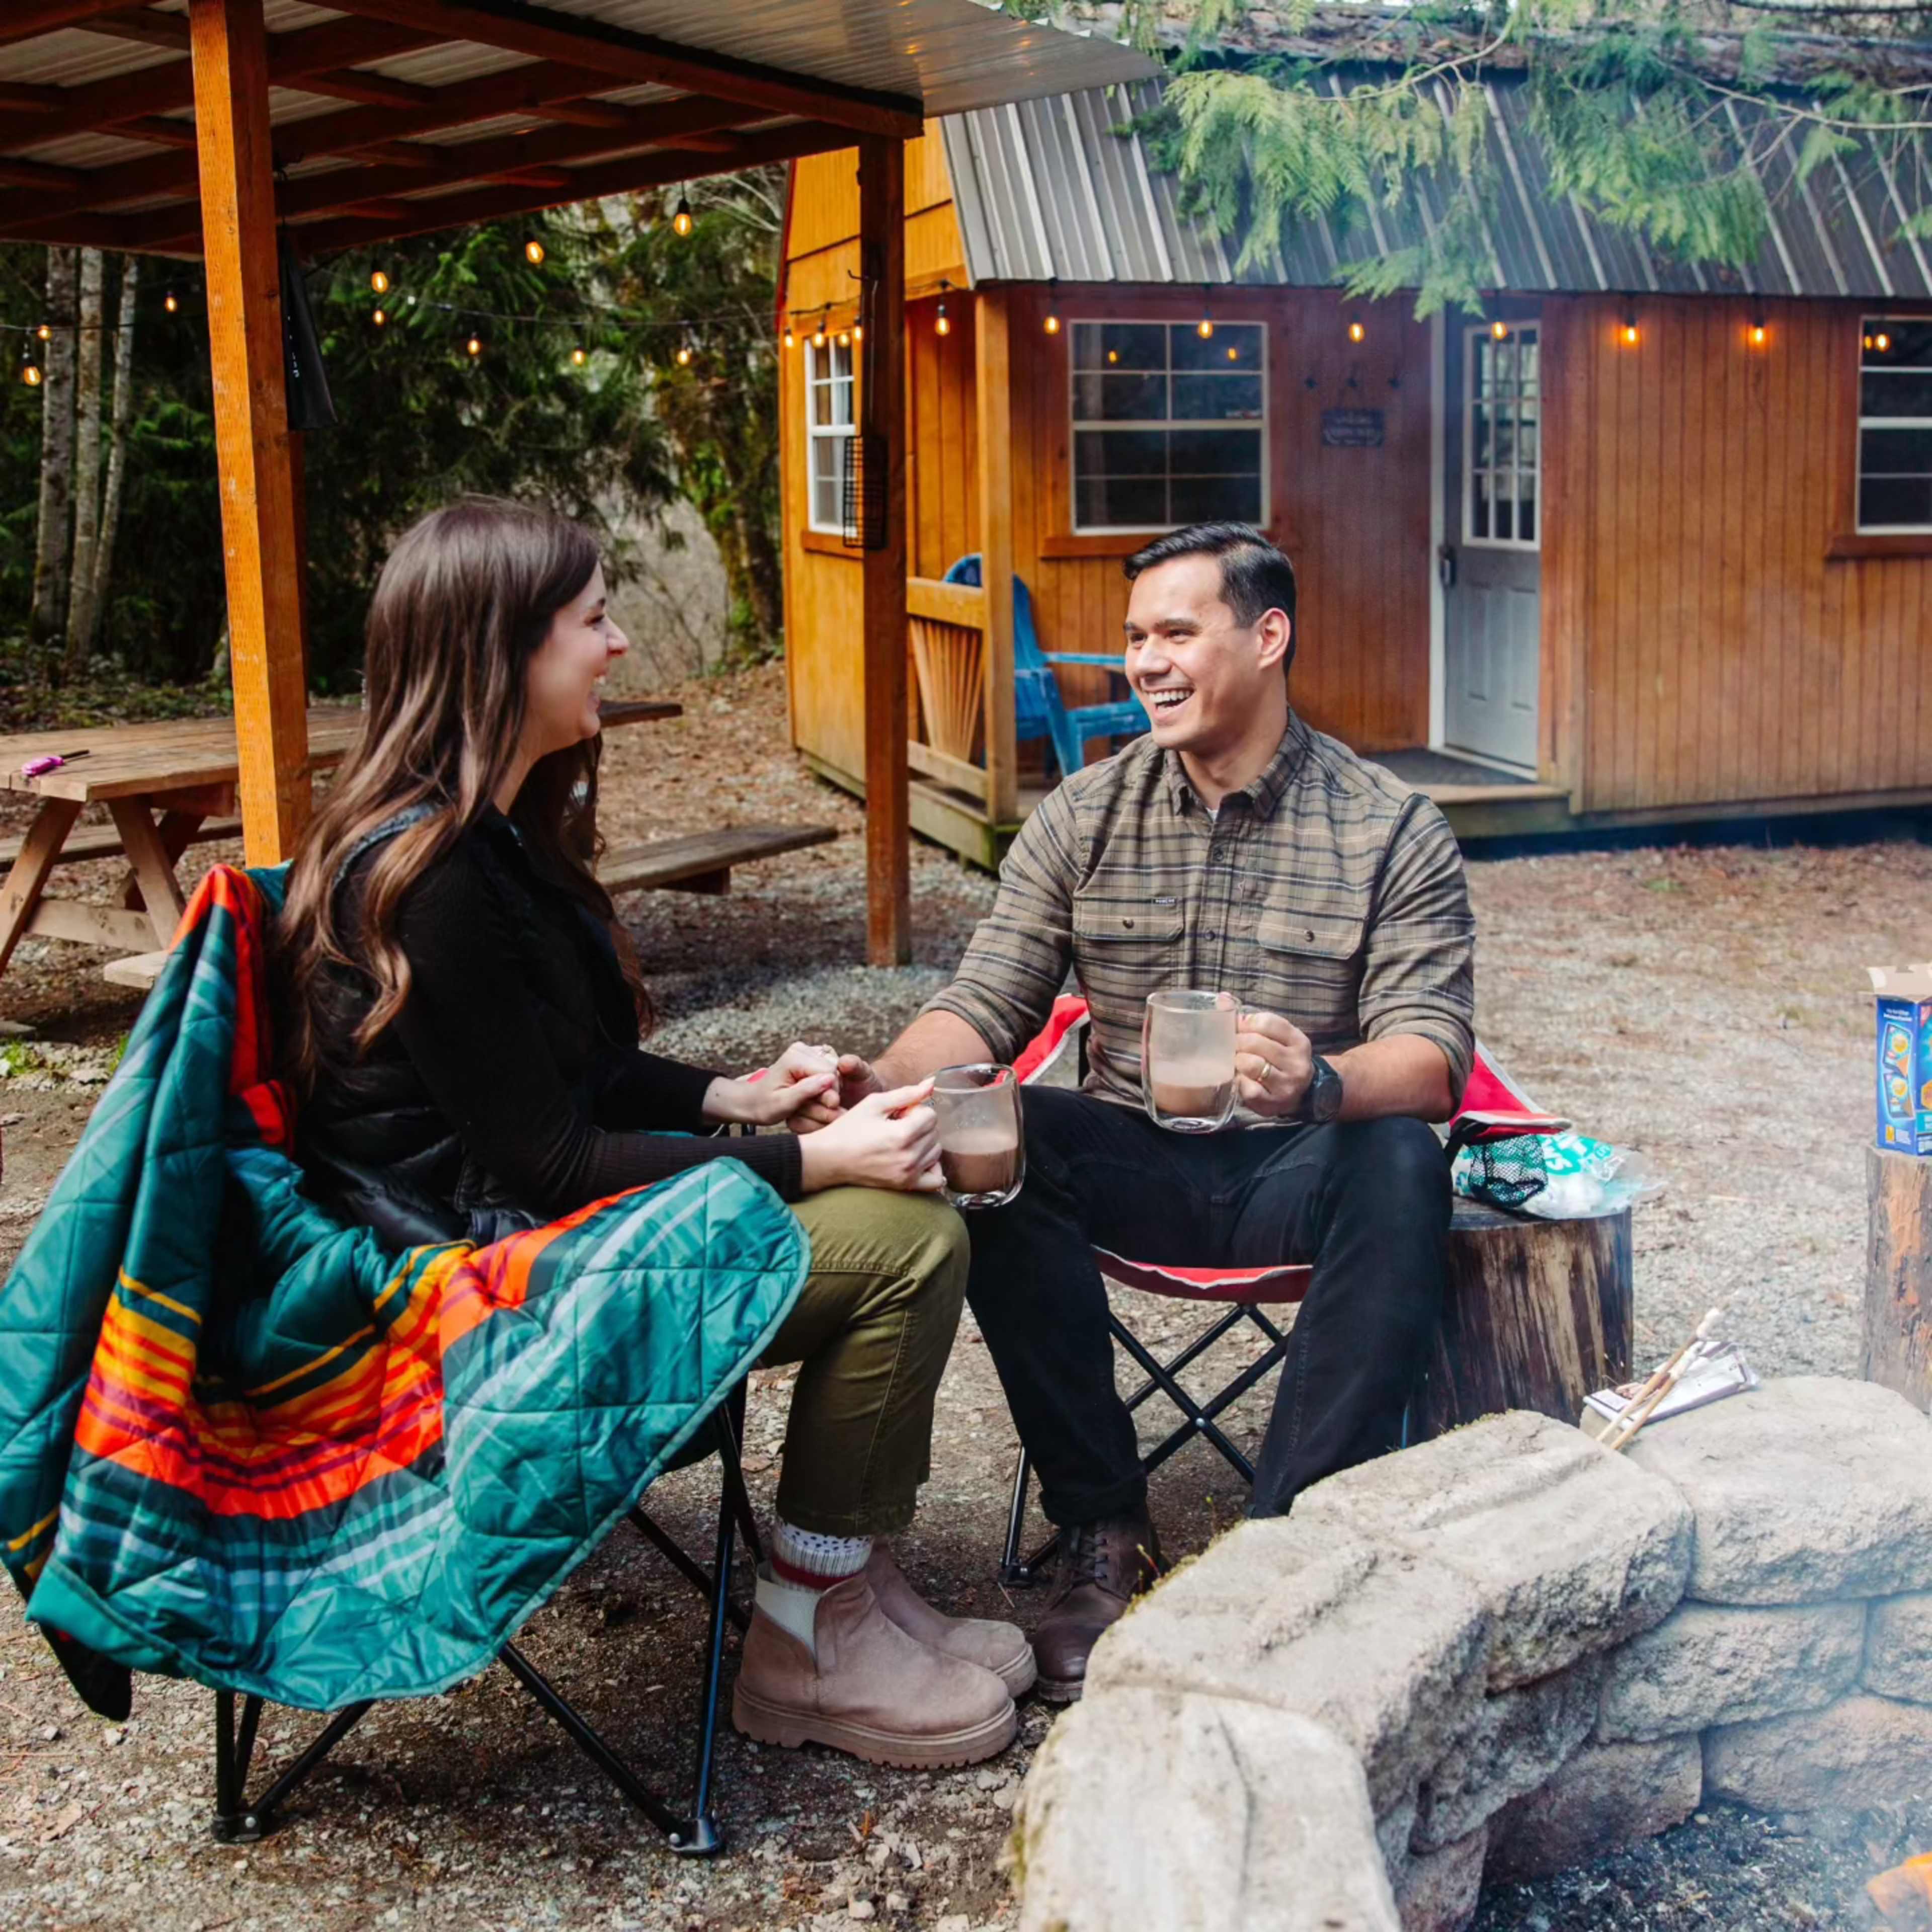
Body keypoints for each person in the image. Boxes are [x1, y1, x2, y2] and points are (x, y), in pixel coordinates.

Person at [272, 498, 1032, 1766]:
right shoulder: (434, 877)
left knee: (909, 1213)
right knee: (904, 1237)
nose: (618, 645)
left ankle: (850, 1590)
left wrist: (730, 1098)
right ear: (502, 650)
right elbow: (547, 1163)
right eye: (592, 620)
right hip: (472, 1302)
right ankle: (806, 1635)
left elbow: (570, 1075)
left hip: (514, 1240)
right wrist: (813, 1160)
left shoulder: (489, 839)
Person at [811, 522, 1475, 1702]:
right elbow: (987, 1001)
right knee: (995, 1136)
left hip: (1296, 1165)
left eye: (1178, 631)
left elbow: (1432, 1058)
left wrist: (1322, 1081)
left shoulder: (1388, 827)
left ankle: (1283, 1551)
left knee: (1402, 1162)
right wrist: (885, 1081)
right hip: (1128, 1157)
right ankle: (1103, 1531)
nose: (1146, 662)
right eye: (1134, 638)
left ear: (1268, 637)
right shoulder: (1085, 814)